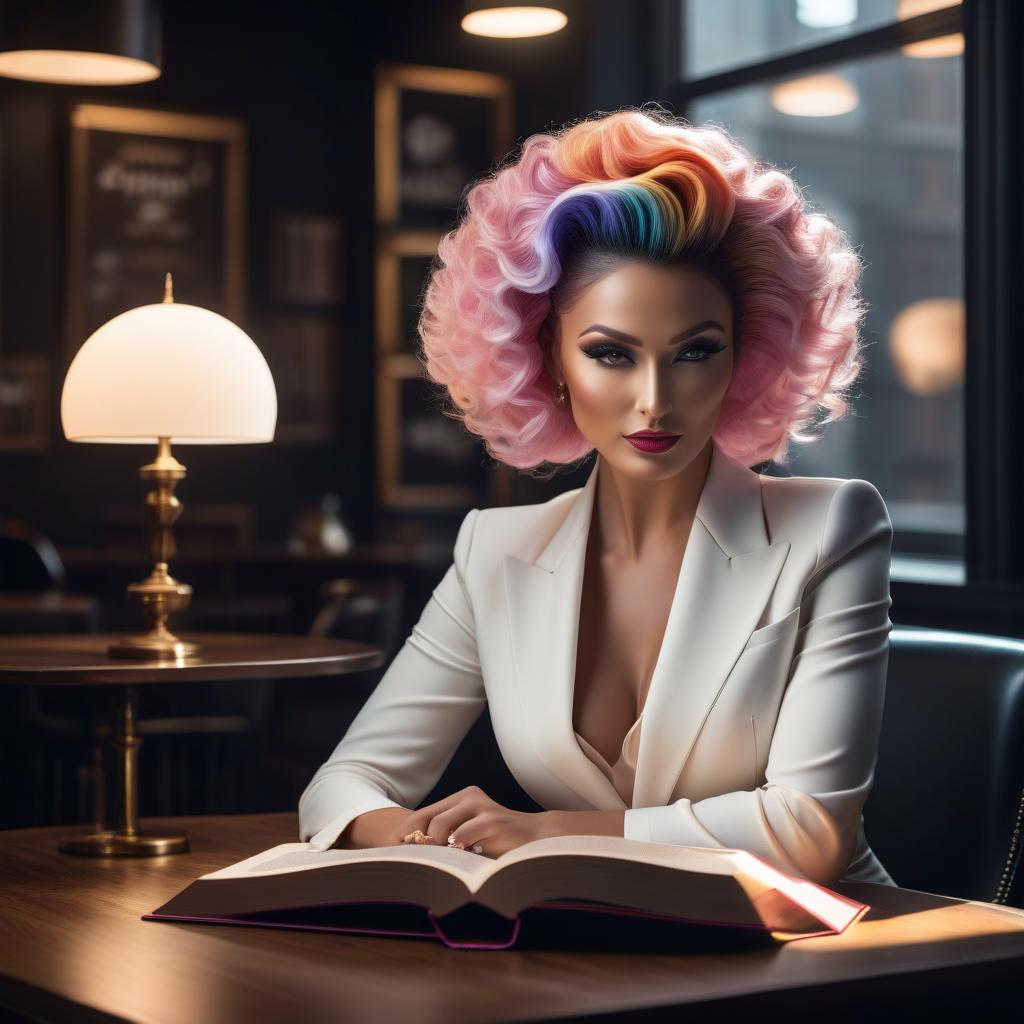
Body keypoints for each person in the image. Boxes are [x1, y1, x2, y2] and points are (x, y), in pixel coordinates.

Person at [299, 106, 896, 887]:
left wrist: (545, 835)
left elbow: (806, 832)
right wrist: (432, 842)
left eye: (696, 352)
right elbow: (340, 790)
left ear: (745, 356)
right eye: (611, 354)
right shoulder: (497, 550)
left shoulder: (832, 527)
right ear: (545, 358)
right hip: (601, 953)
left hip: (822, 958)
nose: (655, 401)